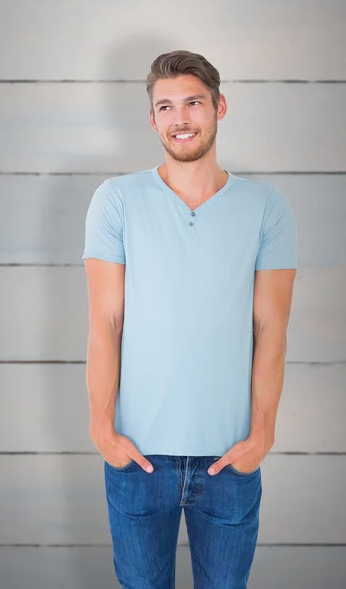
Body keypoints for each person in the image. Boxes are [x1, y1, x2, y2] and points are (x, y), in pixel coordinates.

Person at [82, 50, 298, 589]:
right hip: (137, 456)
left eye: (194, 103)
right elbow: (105, 321)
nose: (181, 119)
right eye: (166, 107)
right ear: (152, 119)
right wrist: (102, 430)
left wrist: (263, 435)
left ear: (219, 107)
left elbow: (271, 329)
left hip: (230, 458)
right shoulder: (116, 201)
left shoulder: (268, 207)